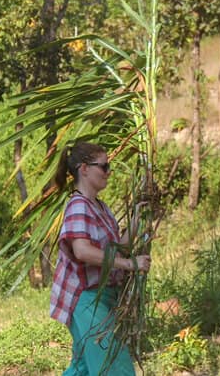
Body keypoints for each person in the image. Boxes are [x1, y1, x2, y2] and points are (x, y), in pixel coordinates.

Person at [49, 142, 151, 376]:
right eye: (104, 166)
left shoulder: (100, 207)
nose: (108, 172)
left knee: (83, 368)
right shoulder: (78, 206)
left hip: (102, 297)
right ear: (84, 169)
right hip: (86, 299)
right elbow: (82, 251)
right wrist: (129, 264)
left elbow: (116, 250)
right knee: (115, 367)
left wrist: (138, 219)